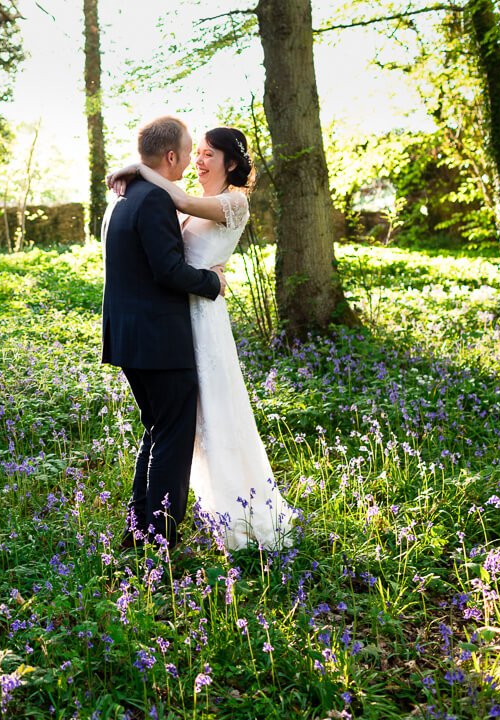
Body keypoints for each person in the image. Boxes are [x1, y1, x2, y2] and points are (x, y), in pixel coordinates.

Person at [107, 126, 295, 551]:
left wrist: (136, 167)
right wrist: (137, 170)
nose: (199, 160)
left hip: (201, 318)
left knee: (208, 418)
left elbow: (177, 199)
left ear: (231, 162)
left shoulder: (233, 202)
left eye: (209, 154)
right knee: (171, 427)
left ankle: (233, 514)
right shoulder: (183, 204)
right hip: (174, 319)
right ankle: (151, 527)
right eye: (198, 152)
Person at [101, 116, 226, 550]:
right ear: (171, 156)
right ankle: (161, 540)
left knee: (158, 433)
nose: (193, 159)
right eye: (190, 151)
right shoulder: (152, 199)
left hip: (132, 340)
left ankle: (138, 533)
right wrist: (213, 282)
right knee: (174, 439)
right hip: (159, 343)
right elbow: (168, 270)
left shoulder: (125, 196)